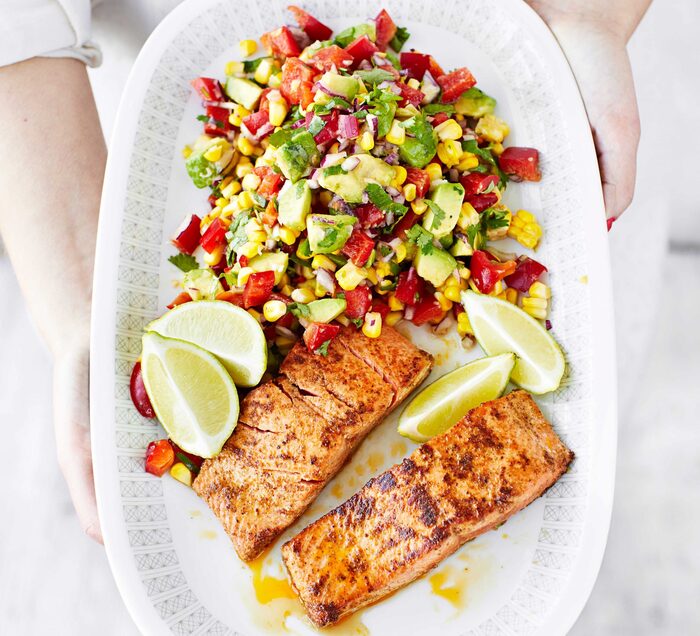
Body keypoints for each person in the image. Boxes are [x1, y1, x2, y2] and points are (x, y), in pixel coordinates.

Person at [0, 0, 652, 543]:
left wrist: (587, 19)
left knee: (594, 485)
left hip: (541, 54)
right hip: (123, 105)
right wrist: (86, 296)